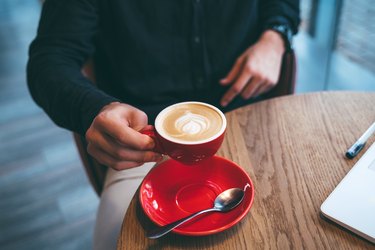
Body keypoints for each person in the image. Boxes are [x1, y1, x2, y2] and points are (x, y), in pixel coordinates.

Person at [27, 0, 300, 249]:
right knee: (115, 237)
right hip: (146, 140)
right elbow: (50, 60)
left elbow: (284, 5)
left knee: (298, 211)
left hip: (251, 115)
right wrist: (96, 109)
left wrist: (275, 36)